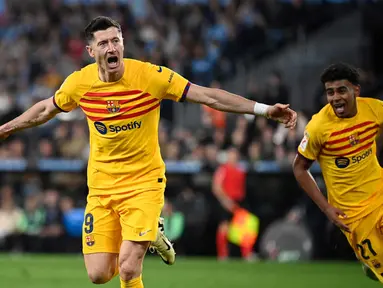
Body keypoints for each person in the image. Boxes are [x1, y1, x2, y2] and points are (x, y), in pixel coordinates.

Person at [0, 16, 297, 288]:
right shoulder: (80, 83)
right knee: (99, 274)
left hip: (143, 184)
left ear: (123, 43)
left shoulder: (150, 77)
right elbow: (45, 109)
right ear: (92, 52)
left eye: (116, 40)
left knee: (129, 269)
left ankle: (143, 235)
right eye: (103, 42)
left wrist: (263, 109)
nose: (111, 46)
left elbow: (207, 95)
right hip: (101, 187)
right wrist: (8, 127)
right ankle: (152, 234)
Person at [293, 62, 383, 282]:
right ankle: (371, 265)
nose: (335, 98)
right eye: (330, 92)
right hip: (353, 217)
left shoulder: (374, 109)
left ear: (356, 90)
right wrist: (326, 209)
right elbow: (299, 168)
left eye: (342, 90)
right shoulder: (318, 128)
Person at [212, 147, 252, 261]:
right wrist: (225, 201)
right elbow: (216, 187)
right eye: (231, 154)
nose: (233, 157)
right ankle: (223, 255)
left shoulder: (241, 170)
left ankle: (246, 254)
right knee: (224, 228)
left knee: (244, 228)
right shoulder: (223, 169)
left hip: (239, 202)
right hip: (227, 201)